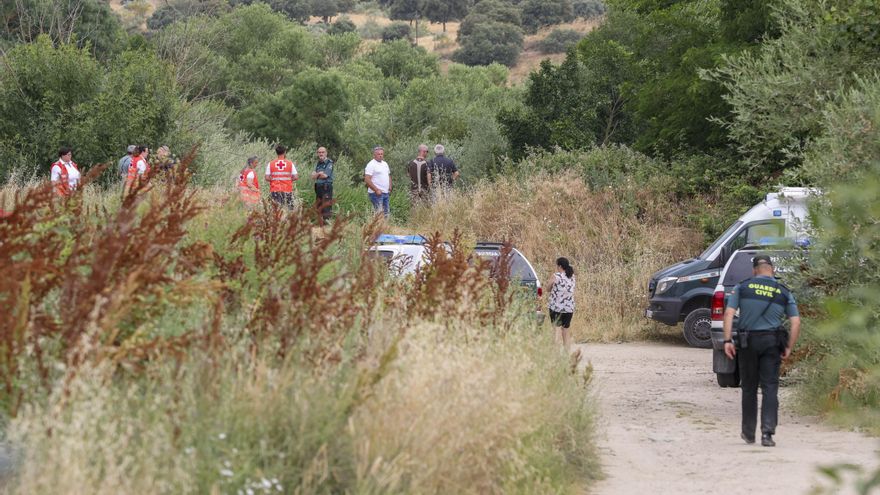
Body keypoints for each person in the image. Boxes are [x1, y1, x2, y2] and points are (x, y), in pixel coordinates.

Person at [723, 254, 801, 447]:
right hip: (772, 343)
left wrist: (727, 340)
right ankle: (767, 434)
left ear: (754, 270)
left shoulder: (743, 287)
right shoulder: (783, 291)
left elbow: (729, 313)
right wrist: (789, 346)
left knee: (749, 387)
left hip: (748, 342)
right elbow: (795, 321)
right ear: (772, 269)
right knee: (770, 387)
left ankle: (748, 433)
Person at [546, 257, 576, 350]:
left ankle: (555, 353)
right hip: (569, 307)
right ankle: (566, 354)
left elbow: (547, 288)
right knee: (566, 330)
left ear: (559, 266)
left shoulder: (556, 276)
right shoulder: (572, 276)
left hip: (556, 307)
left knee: (556, 329)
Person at [364, 146, 391, 217]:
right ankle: (376, 227)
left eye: (382, 154)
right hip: (376, 194)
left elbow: (388, 175)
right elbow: (367, 179)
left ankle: (385, 227)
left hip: (386, 193)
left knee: (386, 213)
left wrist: (390, 187)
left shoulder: (385, 164)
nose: (380, 155)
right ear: (374, 155)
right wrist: (376, 190)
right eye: (378, 154)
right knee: (379, 214)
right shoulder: (371, 164)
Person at [310, 146, 334, 224]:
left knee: (326, 205)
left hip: (326, 187)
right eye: (319, 152)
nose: (321, 154)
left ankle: (327, 224)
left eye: (323, 152)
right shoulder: (318, 163)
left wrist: (317, 175)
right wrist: (319, 173)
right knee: (319, 205)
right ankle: (320, 223)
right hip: (318, 187)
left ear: (326, 153)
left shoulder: (329, 162)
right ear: (317, 153)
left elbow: (325, 176)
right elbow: (313, 177)